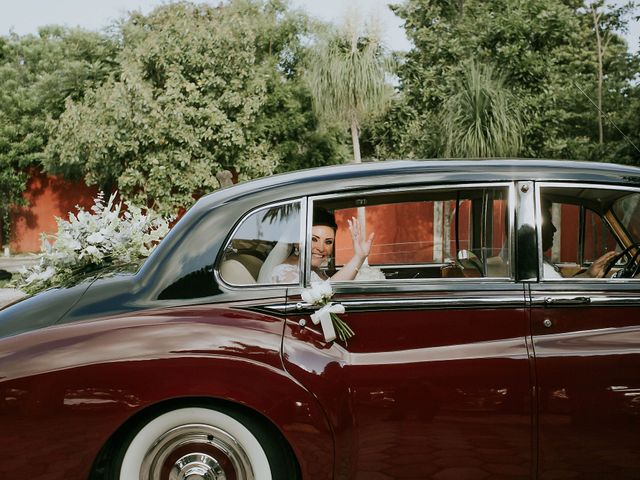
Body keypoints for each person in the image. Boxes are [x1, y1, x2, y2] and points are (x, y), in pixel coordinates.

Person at [270, 208, 374, 283]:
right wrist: (359, 257)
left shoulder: (314, 270)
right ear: (297, 242)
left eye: (328, 242)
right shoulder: (284, 273)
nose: (321, 248)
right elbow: (325, 293)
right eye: (314, 239)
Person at [541, 199, 617, 278]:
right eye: (548, 223)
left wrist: (589, 274)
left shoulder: (540, 263)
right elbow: (564, 289)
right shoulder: (544, 271)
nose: (554, 229)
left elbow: (565, 286)